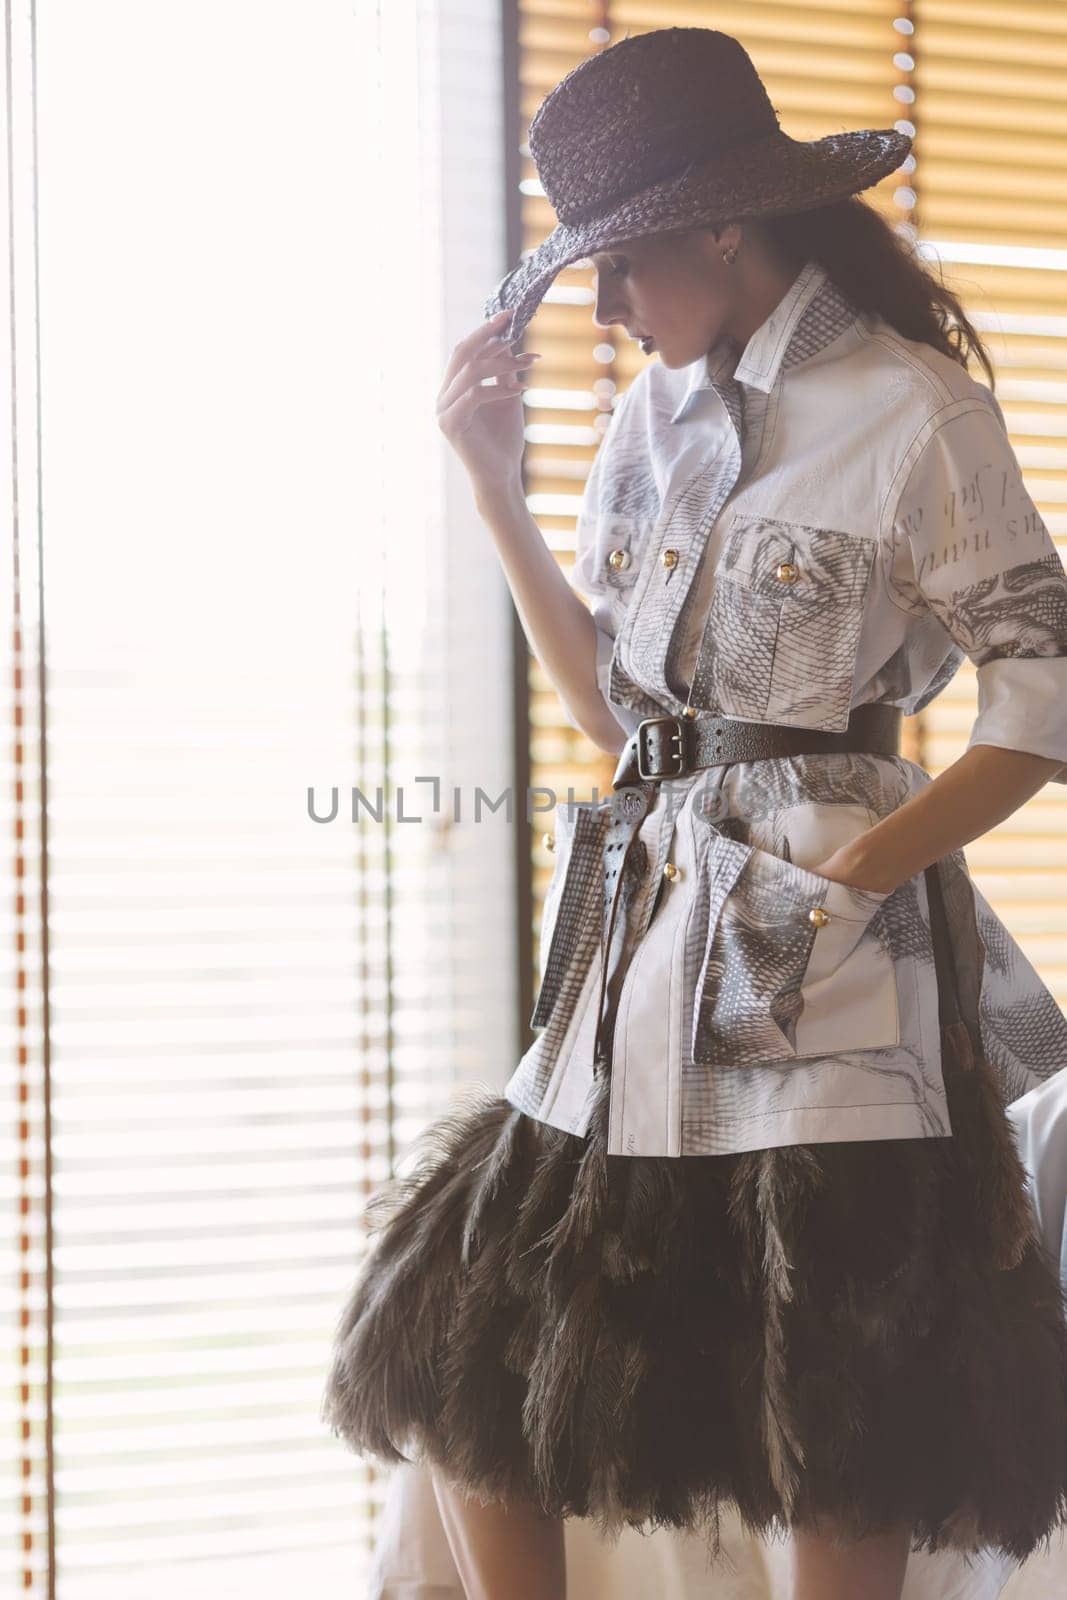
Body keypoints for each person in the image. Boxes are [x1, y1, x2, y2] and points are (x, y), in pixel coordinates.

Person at [321, 27, 1067, 1600]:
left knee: (826, 1414)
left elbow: (1041, 700)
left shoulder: (912, 411)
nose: (599, 311)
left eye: (620, 268)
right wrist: (495, 487)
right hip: (634, 941)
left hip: (830, 965)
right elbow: (617, 717)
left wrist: (853, 878)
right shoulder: (646, 429)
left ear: (723, 227)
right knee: (459, 1343)